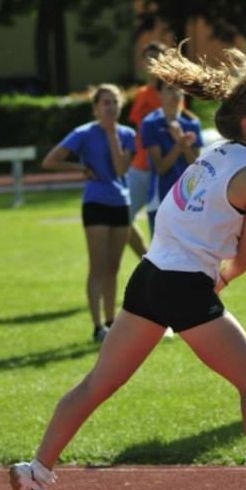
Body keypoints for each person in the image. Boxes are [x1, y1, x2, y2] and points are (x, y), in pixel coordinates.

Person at [9, 46, 246, 490]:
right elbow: (235, 262)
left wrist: (222, 259)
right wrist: (229, 268)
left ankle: (36, 472)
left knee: (97, 384)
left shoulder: (214, 155)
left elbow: (180, 219)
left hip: (151, 276)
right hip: (180, 285)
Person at [42, 84, 136, 343]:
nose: (110, 107)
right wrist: (80, 168)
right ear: (95, 108)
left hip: (120, 203)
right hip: (95, 203)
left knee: (114, 268)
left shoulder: (127, 134)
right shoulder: (82, 133)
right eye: (105, 103)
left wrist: (111, 136)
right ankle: (97, 327)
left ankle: (111, 322)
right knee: (98, 266)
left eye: (114, 102)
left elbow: (119, 170)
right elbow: (50, 160)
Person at [141, 79, 202, 235]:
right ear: (159, 94)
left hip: (188, 199)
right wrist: (180, 142)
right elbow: (161, 168)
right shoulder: (150, 123)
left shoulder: (192, 123)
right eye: (169, 89)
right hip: (161, 198)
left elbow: (196, 167)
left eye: (179, 89)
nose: (175, 93)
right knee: (160, 256)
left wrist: (181, 140)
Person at [126, 41, 168, 257]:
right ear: (142, 63)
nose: (153, 62)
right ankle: (146, 261)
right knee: (121, 217)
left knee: (163, 225)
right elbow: (137, 131)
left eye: (158, 57)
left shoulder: (172, 91)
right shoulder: (142, 95)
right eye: (149, 58)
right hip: (140, 167)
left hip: (164, 169)